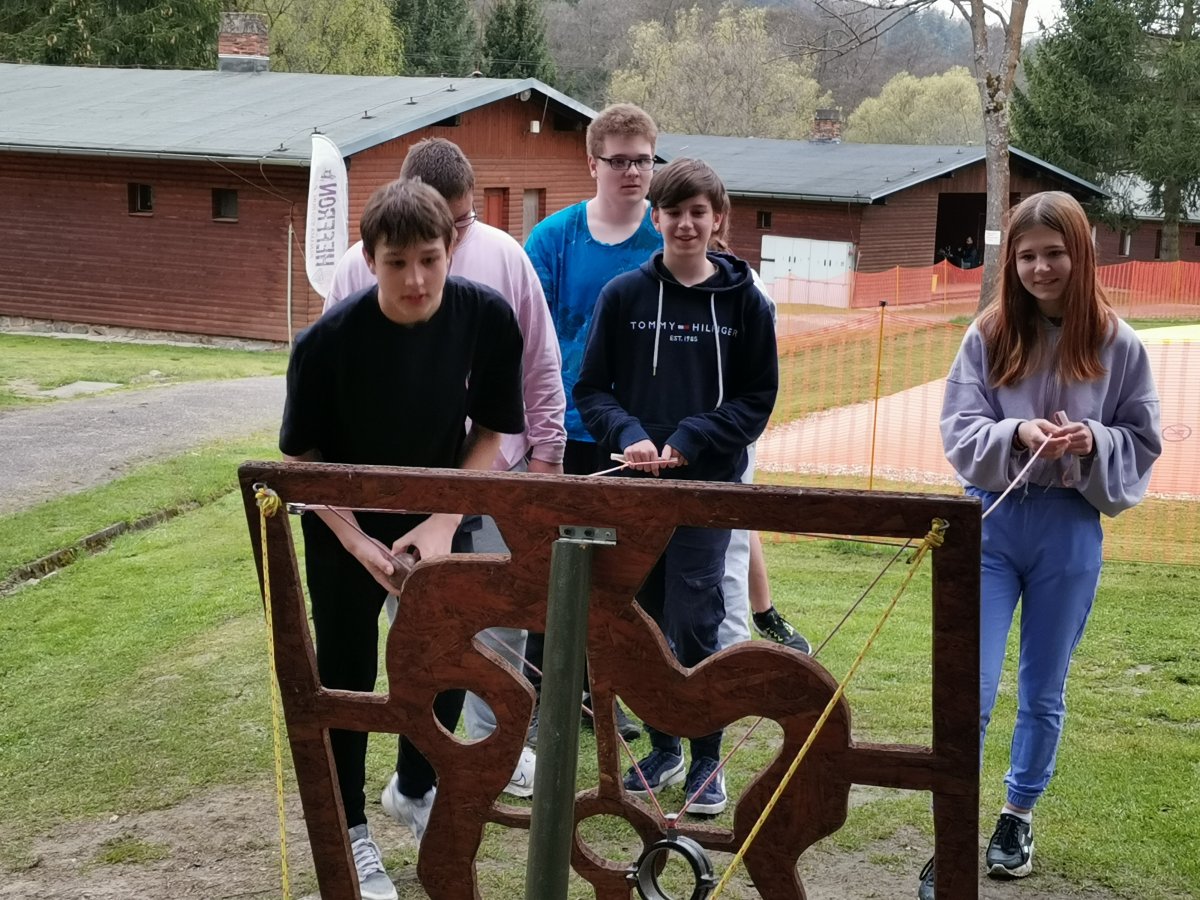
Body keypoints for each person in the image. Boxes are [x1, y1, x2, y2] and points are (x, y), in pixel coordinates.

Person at [280, 179, 526, 900]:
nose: (416, 279)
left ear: (451, 248)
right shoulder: (326, 344)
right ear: (370, 259)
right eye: (397, 263)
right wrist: (357, 542)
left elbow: (493, 430)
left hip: (441, 511)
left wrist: (445, 521)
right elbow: (301, 461)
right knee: (348, 677)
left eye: (429, 259)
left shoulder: (487, 316)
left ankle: (415, 789)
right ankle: (351, 830)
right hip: (344, 525)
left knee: (444, 660)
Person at [920, 191, 1161, 899]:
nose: (1040, 267)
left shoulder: (1119, 344)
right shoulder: (989, 334)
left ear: (1080, 254)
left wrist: (1095, 441)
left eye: (1054, 253)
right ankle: (952, 833)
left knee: (1042, 689)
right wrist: (1016, 433)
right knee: (971, 687)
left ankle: (1016, 815)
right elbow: (959, 427)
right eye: (1027, 256)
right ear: (1012, 263)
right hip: (990, 525)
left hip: (1068, 528)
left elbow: (1143, 439)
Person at [324, 138, 566, 799]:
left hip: (489, 480)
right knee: (393, 635)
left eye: (463, 223)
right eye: (440, 226)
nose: (452, 241)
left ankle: (477, 756)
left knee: (485, 629)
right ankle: (390, 789)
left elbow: (539, 364)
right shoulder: (357, 269)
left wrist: (547, 461)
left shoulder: (506, 258)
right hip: (386, 485)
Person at [574, 157, 779, 816]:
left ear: (718, 219)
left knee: (695, 619)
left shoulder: (746, 303)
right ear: (655, 218)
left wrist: (694, 435)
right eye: (674, 212)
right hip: (636, 491)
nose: (686, 224)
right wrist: (629, 431)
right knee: (644, 622)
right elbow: (591, 389)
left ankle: (706, 758)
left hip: (706, 490)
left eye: (699, 212)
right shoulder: (623, 296)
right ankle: (663, 745)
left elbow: (757, 400)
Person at [523, 102, 664, 742]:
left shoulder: (666, 240)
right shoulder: (553, 240)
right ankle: (543, 700)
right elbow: (531, 338)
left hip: (638, 440)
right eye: (619, 160)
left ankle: (609, 696)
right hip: (564, 434)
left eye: (643, 160)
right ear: (592, 164)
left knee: (623, 580)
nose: (632, 172)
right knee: (554, 572)